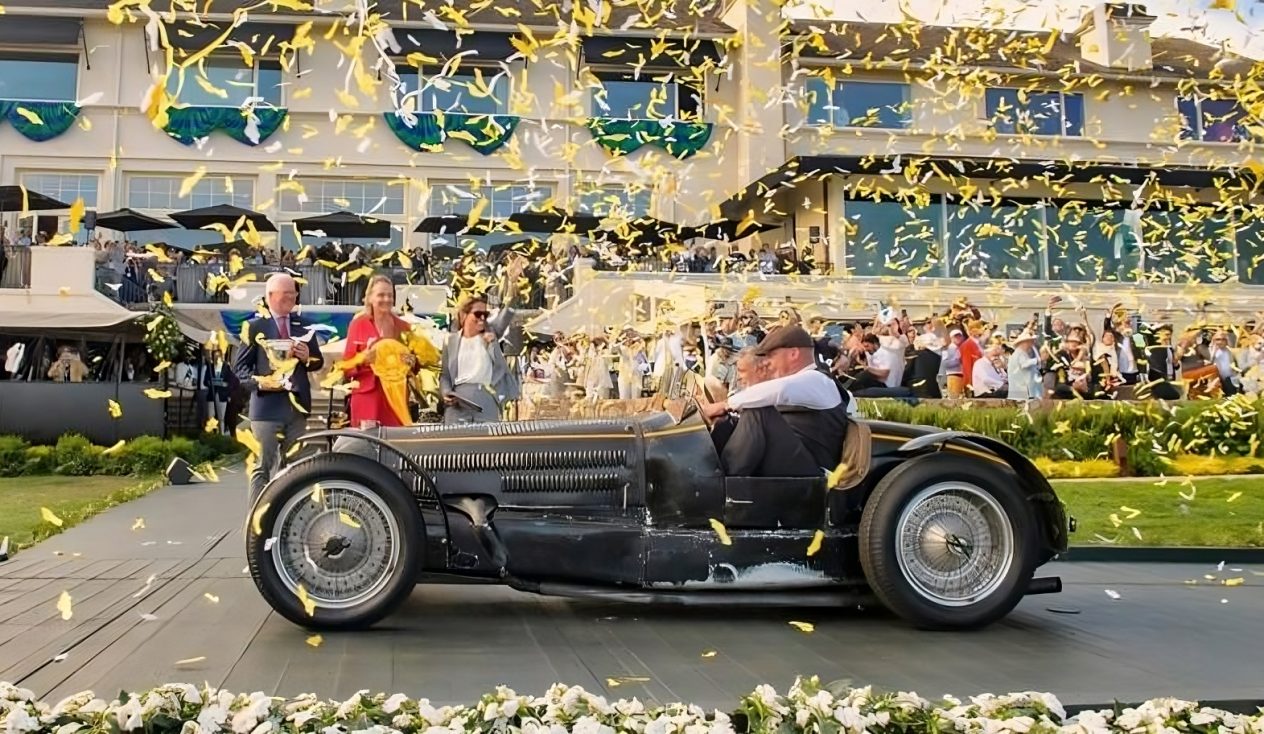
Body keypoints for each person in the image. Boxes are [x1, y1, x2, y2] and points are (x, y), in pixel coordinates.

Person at [701, 326, 851, 476]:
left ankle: (723, 483)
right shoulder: (807, 381)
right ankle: (708, 469)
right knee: (727, 423)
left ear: (793, 353)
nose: (767, 362)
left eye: (771, 355)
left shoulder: (817, 379)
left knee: (757, 412)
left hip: (813, 471)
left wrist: (724, 405)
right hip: (796, 460)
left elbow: (779, 390)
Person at [234, 273, 325, 501]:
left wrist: (307, 357)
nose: (291, 298)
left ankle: (285, 516)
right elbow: (240, 370)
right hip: (266, 408)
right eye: (285, 294)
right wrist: (262, 382)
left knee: (294, 468)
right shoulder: (254, 327)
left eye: (293, 293)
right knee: (263, 466)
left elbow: (318, 362)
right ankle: (257, 524)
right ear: (270, 296)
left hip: (297, 408)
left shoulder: (304, 326)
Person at [342, 274, 416, 427]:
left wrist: (412, 363)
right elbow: (346, 367)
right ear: (370, 298)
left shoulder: (404, 327)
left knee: (394, 446)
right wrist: (363, 359)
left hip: (396, 398)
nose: (386, 299)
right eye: (381, 295)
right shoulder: (358, 324)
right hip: (366, 396)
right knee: (365, 447)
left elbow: (415, 367)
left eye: (390, 295)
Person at [438, 294, 516, 423]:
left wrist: (515, 288)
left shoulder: (491, 333)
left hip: (485, 400)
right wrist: (446, 392)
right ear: (464, 315)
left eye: (485, 314)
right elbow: (445, 375)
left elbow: (508, 313)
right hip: (458, 402)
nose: (482, 318)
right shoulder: (451, 340)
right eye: (478, 314)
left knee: (485, 441)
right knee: (456, 441)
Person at [1007, 331, 1042, 401]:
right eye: (1030, 342)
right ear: (1024, 343)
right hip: (1019, 385)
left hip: (1024, 385)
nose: (1031, 344)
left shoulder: (1023, 353)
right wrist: (1037, 360)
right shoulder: (1018, 353)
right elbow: (1024, 364)